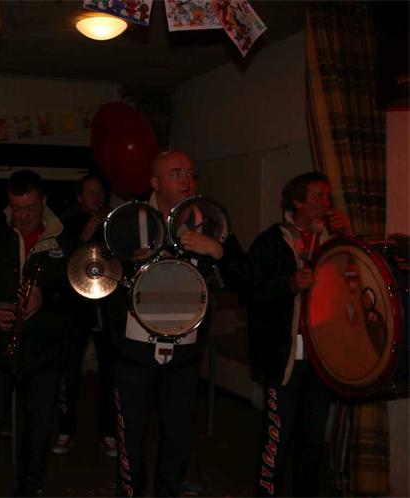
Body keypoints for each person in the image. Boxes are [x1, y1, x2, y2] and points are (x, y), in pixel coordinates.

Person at [108, 150, 239, 497]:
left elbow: (244, 277)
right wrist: (129, 265)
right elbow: (96, 277)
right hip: (134, 350)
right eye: (176, 173)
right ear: (155, 183)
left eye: (190, 173)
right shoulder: (128, 219)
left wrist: (217, 251)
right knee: (131, 436)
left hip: (184, 351)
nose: (186, 180)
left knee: (178, 437)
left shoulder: (210, 220)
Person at [234, 172, 353, 496]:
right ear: (298, 202)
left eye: (328, 196)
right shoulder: (272, 241)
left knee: (313, 440)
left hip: (323, 357)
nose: (325, 203)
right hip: (284, 358)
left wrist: (348, 236)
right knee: (278, 438)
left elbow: (357, 283)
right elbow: (247, 291)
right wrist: (288, 284)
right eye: (318, 196)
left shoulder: (335, 241)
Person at [0, 169, 73, 496]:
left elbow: (80, 296)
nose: (23, 216)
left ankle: (28, 491)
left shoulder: (65, 240)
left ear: (43, 202)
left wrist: (46, 297)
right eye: (17, 208)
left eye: (30, 208)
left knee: (37, 436)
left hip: (44, 355)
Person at [52, 175, 118, 457]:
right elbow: (58, 263)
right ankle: (65, 430)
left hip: (106, 307)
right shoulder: (65, 223)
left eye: (99, 192)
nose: (96, 197)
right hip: (75, 308)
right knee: (69, 371)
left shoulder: (113, 222)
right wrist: (83, 236)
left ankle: (109, 432)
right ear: (79, 198)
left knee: (110, 372)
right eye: (90, 192)